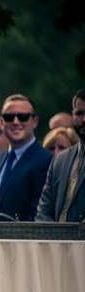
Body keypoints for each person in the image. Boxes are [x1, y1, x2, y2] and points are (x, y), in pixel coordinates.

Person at [0, 94, 52, 234]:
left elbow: (40, 215)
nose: (15, 122)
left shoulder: (47, 160)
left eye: (23, 117)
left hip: (25, 249)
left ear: (35, 121)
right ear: (2, 122)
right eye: (9, 117)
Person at [36, 89, 85, 223]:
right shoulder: (60, 159)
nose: (84, 119)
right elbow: (44, 211)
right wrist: (53, 240)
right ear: (72, 116)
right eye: (79, 113)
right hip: (55, 241)